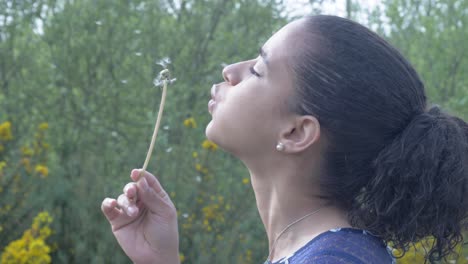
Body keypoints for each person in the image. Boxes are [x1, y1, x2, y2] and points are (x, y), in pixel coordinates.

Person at [101, 15, 468, 264]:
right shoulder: (319, 252)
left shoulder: (337, 259)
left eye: (258, 69)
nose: (230, 72)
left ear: (296, 132)